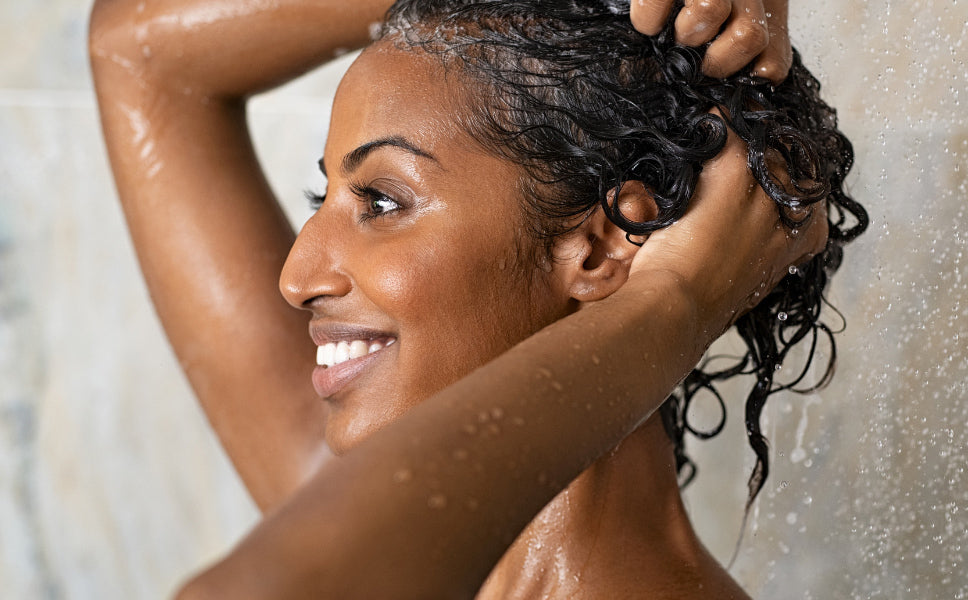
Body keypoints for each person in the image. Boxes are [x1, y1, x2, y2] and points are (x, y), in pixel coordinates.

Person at [88, 0, 866, 597]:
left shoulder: (343, 545)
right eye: (322, 194)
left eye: (381, 202)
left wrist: (673, 305)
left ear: (597, 248)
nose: (296, 277)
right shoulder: (352, 513)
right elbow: (141, 52)